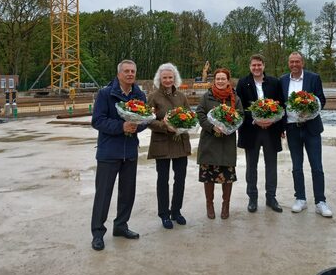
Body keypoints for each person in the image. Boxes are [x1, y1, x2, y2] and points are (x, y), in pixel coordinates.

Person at [90, 60, 147, 251]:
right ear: (119, 74)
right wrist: (121, 127)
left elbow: (145, 118)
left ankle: (121, 226)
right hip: (109, 152)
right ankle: (98, 233)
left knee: (127, 193)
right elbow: (97, 120)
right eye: (126, 71)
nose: (130, 74)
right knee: (103, 194)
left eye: (133, 71)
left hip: (129, 151)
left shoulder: (139, 94)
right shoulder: (105, 94)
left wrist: (137, 126)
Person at [280, 51, 333, 217]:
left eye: (297, 62)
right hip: (292, 128)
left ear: (302, 63)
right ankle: (300, 199)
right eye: (291, 62)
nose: (294, 65)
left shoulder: (313, 78)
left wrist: (309, 111)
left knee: (317, 166)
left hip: (311, 128)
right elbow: (281, 104)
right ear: (288, 64)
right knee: (297, 166)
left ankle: (320, 202)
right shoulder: (282, 80)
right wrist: (281, 127)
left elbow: (321, 100)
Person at [236, 54, 284, 213]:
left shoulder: (274, 82)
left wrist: (274, 122)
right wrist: (256, 120)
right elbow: (240, 108)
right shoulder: (243, 83)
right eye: (253, 65)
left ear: (264, 65)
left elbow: (281, 105)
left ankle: (271, 197)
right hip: (251, 130)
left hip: (271, 130)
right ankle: (253, 198)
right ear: (250, 66)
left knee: (271, 166)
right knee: (251, 166)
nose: (256, 68)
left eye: (259, 65)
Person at [147, 63, 191, 230]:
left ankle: (176, 211)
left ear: (175, 79)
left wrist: (184, 124)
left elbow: (189, 116)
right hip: (162, 143)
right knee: (162, 180)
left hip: (180, 142)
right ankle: (164, 214)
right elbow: (148, 120)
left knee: (180, 179)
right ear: (160, 79)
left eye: (170, 77)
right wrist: (164, 126)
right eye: (164, 77)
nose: (167, 80)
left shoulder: (181, 96)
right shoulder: (153, 97)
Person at [196, 68, 244, 220]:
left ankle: (225, 205)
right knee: (208, 177)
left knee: (227, 177)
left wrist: (229, 127)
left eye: (224, 78)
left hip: (226, 142)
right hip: (209, 141)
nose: (221, 81)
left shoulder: (235, 98)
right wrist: (212, 127)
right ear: (214, 80)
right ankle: (209, 205)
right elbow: (200, 114)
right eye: (218, 79)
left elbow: (241, 116)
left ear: (228, 81)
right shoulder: (206, 96)